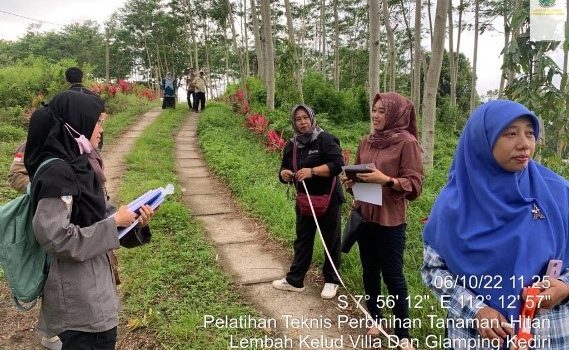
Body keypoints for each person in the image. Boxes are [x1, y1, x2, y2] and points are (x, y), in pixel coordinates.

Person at [422, 99, 569, 349]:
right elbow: (434, 271)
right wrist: (476, 311)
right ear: (482, 140)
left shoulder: (559, 193)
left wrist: (564, 287)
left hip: (548, 335)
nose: (524, 144)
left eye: (530, 133)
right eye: (510, 133)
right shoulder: (454, 203)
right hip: (477, 339)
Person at [24, 90, 155, 350]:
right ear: (76, 124)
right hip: (77, 306)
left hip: (94, 293)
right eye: (98, 122)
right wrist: (113, 222)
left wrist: (132, 221)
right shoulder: (57, 173)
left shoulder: (80, 164)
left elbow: (102, 214)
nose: (101, 129)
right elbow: (56, 238)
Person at [341, 92, 423, 350]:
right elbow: (357, 178)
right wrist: (349, 182)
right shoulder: (367, 141)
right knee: (369, 271)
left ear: (396, 114)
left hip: (391, 220)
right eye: (374, 110)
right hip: (365, 215)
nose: (375, 115)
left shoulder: (407, 143)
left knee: (393, 275)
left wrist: (386, 180)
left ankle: (403, 334)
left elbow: (416, 185)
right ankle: (375, 318)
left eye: (382, 111)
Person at [272, 104, 344, 300]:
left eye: (305, 118)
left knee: (331, 240)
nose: (303, 122)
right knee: (302, 240)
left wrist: (312, 171)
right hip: (304, 201)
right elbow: (283, 170)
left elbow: (338, 165)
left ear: (312, 118)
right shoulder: (291, 145)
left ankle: (331, 281)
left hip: (328, 199)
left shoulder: (325, 139)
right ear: (293, 123)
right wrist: (284, 174)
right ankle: (295, 280)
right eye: (298, 119)